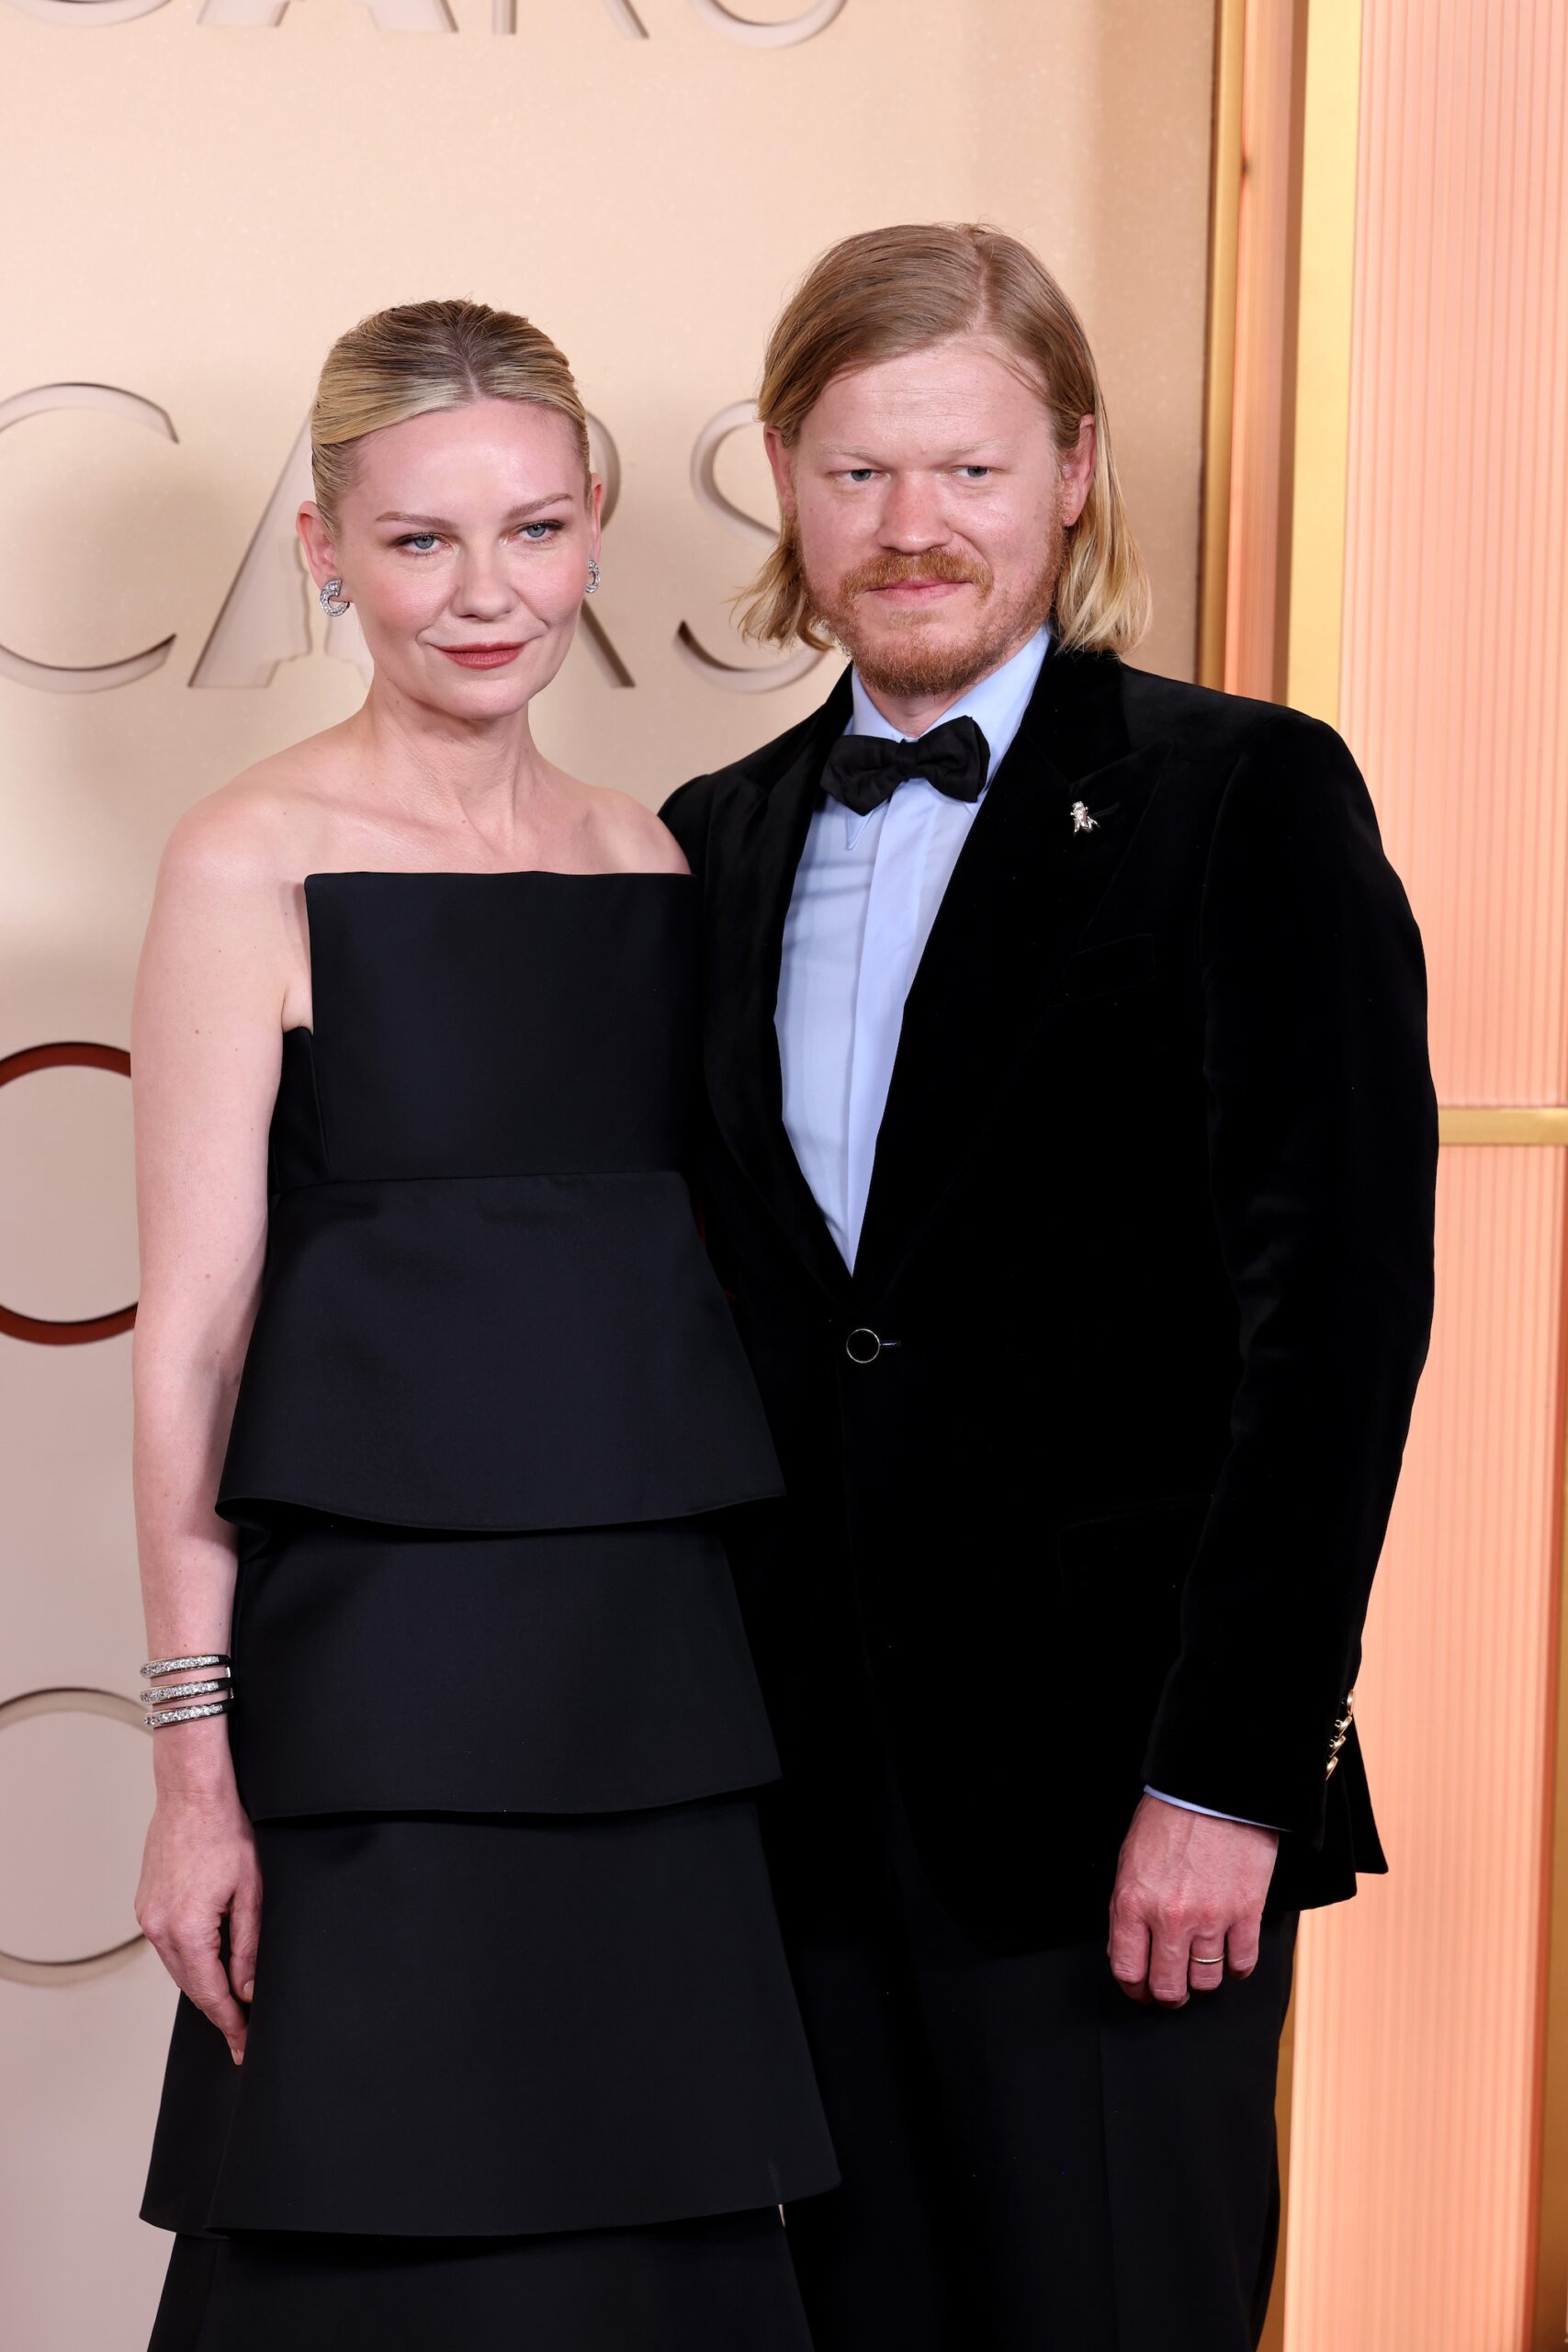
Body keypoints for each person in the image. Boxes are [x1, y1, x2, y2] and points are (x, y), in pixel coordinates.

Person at [661, 222, 1438, 2352]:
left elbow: (1335, 1326)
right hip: (792, 1820)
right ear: (782, 476)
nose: (913, 529)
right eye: (857, 471)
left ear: (1074, 469)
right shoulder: (704, 838)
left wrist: (1228, 1772)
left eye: (972, 471)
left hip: (1119, 1809)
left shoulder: (1242, 794)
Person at [130, 297, 834, 2352]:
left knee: (659, 2232)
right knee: (360, 2236)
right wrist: (193, 1766)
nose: (485, 591)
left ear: (597, 530)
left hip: (646, 1696)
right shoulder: (245, 858)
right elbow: (189, 1333)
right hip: (371, 1710)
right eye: (422, 539)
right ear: (323, 550)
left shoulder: (657, 858)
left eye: (530, 529)